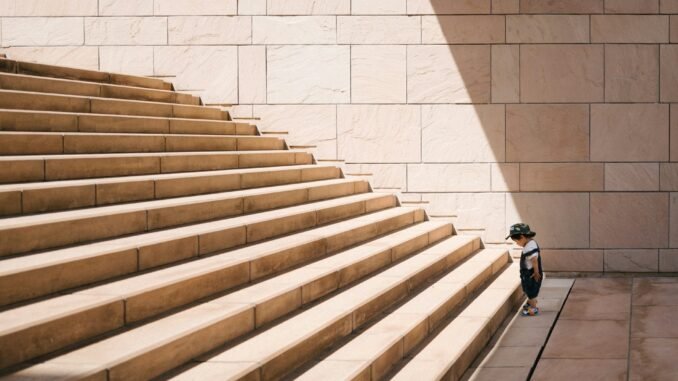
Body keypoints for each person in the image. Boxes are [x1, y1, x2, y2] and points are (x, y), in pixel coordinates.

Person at [506, 223, 543, 316]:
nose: (517, 243)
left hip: (530, 274)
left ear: (522, 237)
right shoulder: (531, 243)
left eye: (516, 241)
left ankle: (533, 308)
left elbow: (534, 260)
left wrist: (536, 272)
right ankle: (531, 302)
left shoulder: (528, 247)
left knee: (530, 290)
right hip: (530, 272)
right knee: (529, 290)